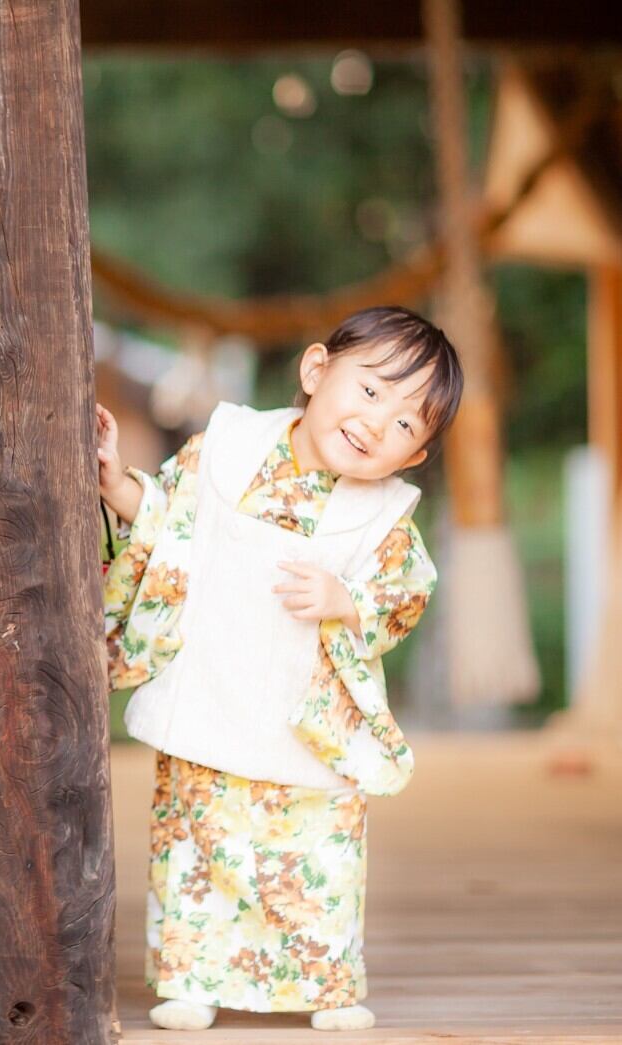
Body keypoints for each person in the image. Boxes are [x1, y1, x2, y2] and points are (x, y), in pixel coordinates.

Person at [96, 306, 463, 1031]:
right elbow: (167, 523)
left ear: (413, 456)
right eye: (368, 392)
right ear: (315, 370)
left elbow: (404, 591)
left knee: (313, 853)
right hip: (212, 680)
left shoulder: (384, 514)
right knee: (199, 842)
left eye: (402, 424)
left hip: (305, 712)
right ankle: (191, 975)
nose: (373, 423)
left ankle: (323, 982)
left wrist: (345, 600)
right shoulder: (228, 444)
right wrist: (116, 486)